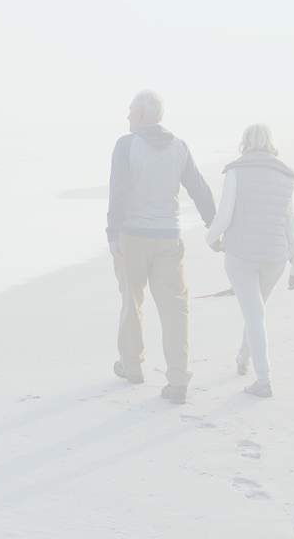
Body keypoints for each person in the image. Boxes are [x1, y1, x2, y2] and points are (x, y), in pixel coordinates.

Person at [106, 90, 216, 404]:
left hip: (132, 237)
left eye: (130, 110)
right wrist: (215, 228)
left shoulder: (126, 145)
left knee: (132, 302)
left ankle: (133, 367)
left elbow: (118, 191)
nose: (127, 116)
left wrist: (113, 232)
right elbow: (200, 190)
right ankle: (178, 381)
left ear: (140, 114)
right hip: (169, 237)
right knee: (175, 309)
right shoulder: (179, 146)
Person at [204, 123, 294, 398]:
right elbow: (291, 225)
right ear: (272, 142)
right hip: (275, 259)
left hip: (241, 258)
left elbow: (224, 215)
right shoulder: (285, 175)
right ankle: (242, 359)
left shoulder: (235, 171)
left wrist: (211, 238)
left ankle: (263, 379)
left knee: (254, 313)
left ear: (245, 142)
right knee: (255, 311)